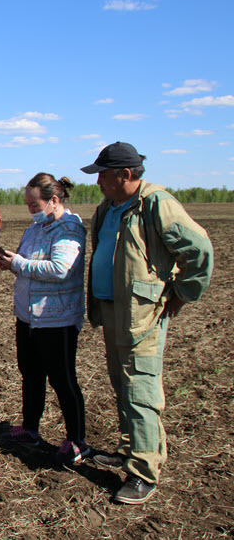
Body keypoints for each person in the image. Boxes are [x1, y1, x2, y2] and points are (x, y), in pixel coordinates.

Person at [81, 142, 213, 504]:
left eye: (104, 175)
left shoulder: (156, 204)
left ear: (125, 175)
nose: (100, 182)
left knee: (141, 389)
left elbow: (199, 250)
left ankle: (144, 472)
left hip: (142, 314)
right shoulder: (108, 207)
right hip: (113, 309)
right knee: (122, 384)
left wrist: (179, 293)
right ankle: (129, 451)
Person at [0, 173, 90, 465]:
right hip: (28, 318)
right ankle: (31, 429)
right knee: (31, 374)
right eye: (28, 205)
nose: (31, 210)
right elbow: (28, 264)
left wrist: (19, 263)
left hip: (56, 320)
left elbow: (61, 268)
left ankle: (77, 440)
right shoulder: (35, 230)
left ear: (54, 201)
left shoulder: (69, 228)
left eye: (35, 205)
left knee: (63, 380)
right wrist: (11, 262)